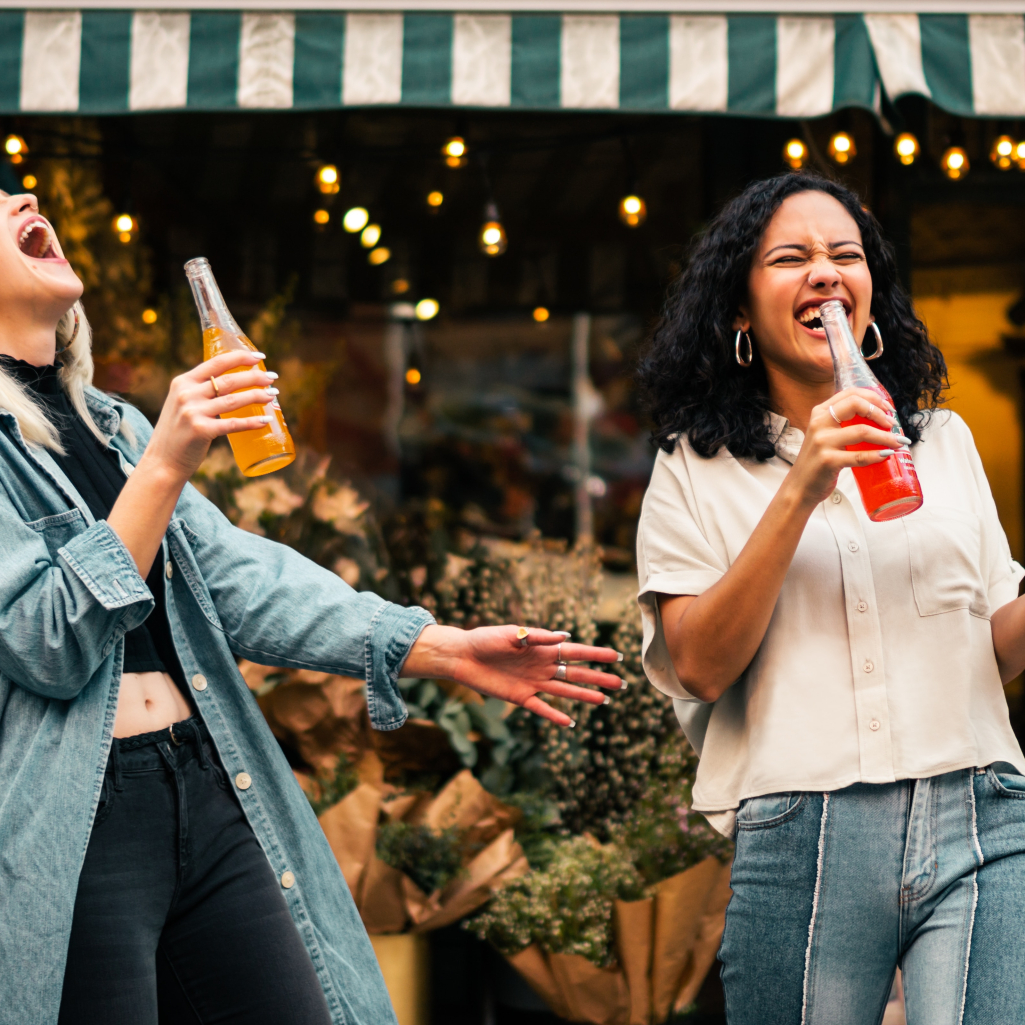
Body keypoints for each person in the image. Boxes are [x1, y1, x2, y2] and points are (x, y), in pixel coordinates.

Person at [0, 189, 624, 1025]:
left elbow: (239, 578)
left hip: (208, 772)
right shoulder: (132, 450)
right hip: (73, 821)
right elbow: (46, 640)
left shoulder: (112, 425)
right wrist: (166, 464)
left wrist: (435, 646)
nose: (24, 197)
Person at [636, 172, 1025, 1024]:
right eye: (790, 257)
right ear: (739, 312)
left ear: (869, 296)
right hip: (803, 833)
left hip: (980, 813)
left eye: (844, 255)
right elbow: (697, 665)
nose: (824, 272)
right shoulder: (692, 468)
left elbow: (1000, 646)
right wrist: (803, 483)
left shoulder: (942, 442)